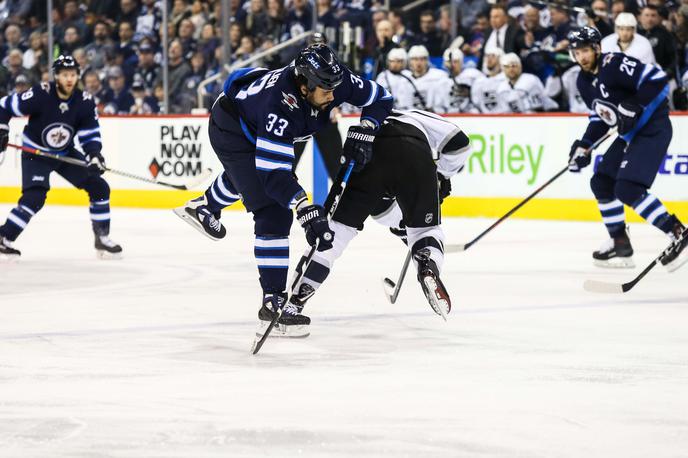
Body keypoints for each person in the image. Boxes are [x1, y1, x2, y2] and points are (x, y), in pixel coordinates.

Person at [173, 44, 393, 334]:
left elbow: (381, 98)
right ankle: (272, 301)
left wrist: (367, 126)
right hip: (232, 129)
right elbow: (274, 176)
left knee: (249, 180)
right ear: (304, 86)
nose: (332, 97)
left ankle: (205, 206)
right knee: (273, 211)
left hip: (254, 119)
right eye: (325, 91)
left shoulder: (332, 81)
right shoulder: (279, 106)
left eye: (334, 90)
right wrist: (303, 206)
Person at [288, 109, 472, 331]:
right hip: (413, 154)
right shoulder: (415, 115)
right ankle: (426, 262)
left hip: (366, 157)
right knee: (425, 231)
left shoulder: (373, 121)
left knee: (334, 234)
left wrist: (400, 224)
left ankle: (294, 302)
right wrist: (441, 174)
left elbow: (381, 210)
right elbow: (459, 143)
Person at [566, 27, 686, 272]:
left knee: (627, 187)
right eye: (577, 53)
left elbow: (656, 78)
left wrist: (635, 104)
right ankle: (620, 244)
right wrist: (584, 146)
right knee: (601, 182)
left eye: (586, 50)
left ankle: (678, 232)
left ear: (597, 48)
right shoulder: (583, 81)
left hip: (653, 128)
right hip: (630, 135)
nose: (582, 57)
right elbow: (600, 118)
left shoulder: (614, 64)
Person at [0, 55, 122, 260]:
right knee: (35, 197)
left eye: (73, 74)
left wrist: (94, 154)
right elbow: (4, 106)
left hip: (64, 153)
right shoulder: (40, 94)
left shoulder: (84, 102)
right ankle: (4, 236)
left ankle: (102, 237)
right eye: (65, 74)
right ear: (56, 76)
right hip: (35, 153)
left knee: (99, 187)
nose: (69, 79)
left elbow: (89, 133)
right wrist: (2, 130)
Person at [407, 45, 449, 113]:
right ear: (410, 61)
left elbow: (445, 105)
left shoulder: (438, 77)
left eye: (422, 59)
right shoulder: (404, 79)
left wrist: (435, 110)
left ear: (427, 60)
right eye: (415, 59)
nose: (418, 63)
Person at [443, 48, 485, 113]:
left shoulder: (473, 75)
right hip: (450, 113)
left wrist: (471, 92)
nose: (452, 65)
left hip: (469, 112)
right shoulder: (441, 80)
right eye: (449, 62)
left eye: (455, 61)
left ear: (461, 62)